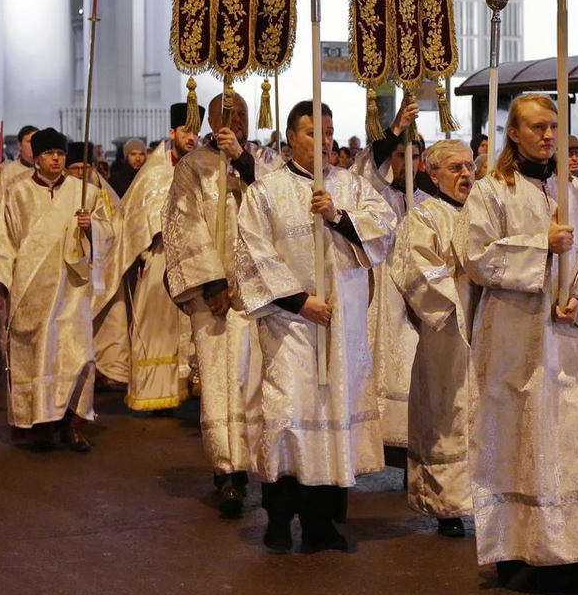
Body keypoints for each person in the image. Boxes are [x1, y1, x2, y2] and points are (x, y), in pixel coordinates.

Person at [458, 92, 578, 595]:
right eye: (536, 127)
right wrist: (539, 248)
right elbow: (475, 256)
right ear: (514, 132)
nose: (548, 135)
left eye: (554, 126)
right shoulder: (492, 191)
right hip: (516, 339)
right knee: (519, 438)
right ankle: (517, 551)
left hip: (571, 341)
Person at [234, 100, 396, 552]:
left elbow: (386, 228)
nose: (324, 139)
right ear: (290, 137)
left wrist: (338, 217)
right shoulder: (264, 192)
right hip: (290, 326)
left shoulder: (349, 185)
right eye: (312, 132)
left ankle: (322, 520)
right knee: (288, 414)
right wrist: (300, 302)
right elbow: (252, 255)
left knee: (331, 416)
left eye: (328, 131)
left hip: (340, 327)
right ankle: (280, 516)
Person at [163, 95, 278, 517]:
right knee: (219, 380)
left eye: (243, 115)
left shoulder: (265, 161)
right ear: (211, 119)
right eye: (228, 115)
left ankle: (258, 464)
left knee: (255, 384)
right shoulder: (192, 166)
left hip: (258, 293)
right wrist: (212, 281)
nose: (237, 121)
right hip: (212, 295)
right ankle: (227, 472)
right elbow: (183, 226)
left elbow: (277, 208)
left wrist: (243, 163)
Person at [0, 128, 116, 452]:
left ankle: (73, 425)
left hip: (72, 290)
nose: (57, 159)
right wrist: (0, 285)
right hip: (32, 292)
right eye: (50, 154)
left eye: (61, 154)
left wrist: (93, 228)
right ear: (38, 158)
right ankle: (40, 426)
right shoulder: (17, 192)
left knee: (77, 357)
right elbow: (3, 241)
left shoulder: (83, 191)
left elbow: (110, 232)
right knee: (37, 360)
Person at [390, 139, 476, 539]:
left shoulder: (487, 213)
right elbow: (415, 269)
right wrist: (457, 292)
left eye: (470, 166)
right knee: (448, 412)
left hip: (489, 327)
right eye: (456, 168)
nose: (466, 175)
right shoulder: (423, 217)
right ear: (434, 173)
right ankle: (447, 505)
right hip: (449, 333)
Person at [351, 101, 429, 463]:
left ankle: (408, 451)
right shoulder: (374, 194)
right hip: (379, 294)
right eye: (399, 155)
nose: (405, 164)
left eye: (413, 157)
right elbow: (365, 173)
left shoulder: (426, 203)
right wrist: (395, 127)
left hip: (414, 299)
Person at [117, 105, 203, 413]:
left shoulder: (205, 168)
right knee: (156, 327)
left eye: (195, 132)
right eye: (186, 132)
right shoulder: (154, 173)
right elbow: (133, 215)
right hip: (161, 257)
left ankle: (194, 385)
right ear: (172, 133)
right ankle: (155, 392)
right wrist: (145, 250)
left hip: (197, 260)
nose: (192, 138)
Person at [67, 140, 132, 389]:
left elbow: (117, 224)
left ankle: (108, 370)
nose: (80, 173)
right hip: (74, 268)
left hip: (104, 266)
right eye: (74, 168)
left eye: (85, 167)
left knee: (111, 321)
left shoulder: (104, 191)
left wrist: (93, 226)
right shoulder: (64, 192)